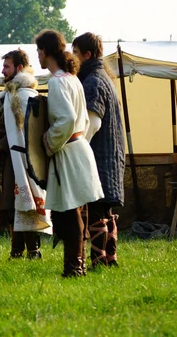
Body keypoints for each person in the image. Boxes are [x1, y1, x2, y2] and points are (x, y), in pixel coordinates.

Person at [35, 29, 104, 277]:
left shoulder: (57, 81)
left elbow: (66, 120)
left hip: (67, 150)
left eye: (38, 52)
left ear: (44, 52)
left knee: (70, 211)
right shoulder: (72, 78)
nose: (38, 57)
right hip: (77, 148)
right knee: (74, 210)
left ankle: (75, 268)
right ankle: (78, 265)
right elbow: (83, 119)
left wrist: (47, 142)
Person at [0, 49, 52, 260]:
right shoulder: (10, 95)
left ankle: (33, 250)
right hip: (9, 158)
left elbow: (22, 133)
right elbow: (5, 129)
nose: (3, 71)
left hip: (22, 159)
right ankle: (16, 250)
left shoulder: (23, 95)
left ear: (19, 68)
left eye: (7, 66)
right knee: (10, 206)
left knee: (24, 204)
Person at [73, 32, 125, 268]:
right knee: (105, 210)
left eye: (76, 53)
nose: (72, 58)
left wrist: (77, 146)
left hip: (99, 156)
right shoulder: (103, 78)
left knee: (96, 210)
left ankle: (100, 260)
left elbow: (93, 122)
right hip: (109, 155)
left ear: (87, 54)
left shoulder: (93, 81)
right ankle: (109, 259)